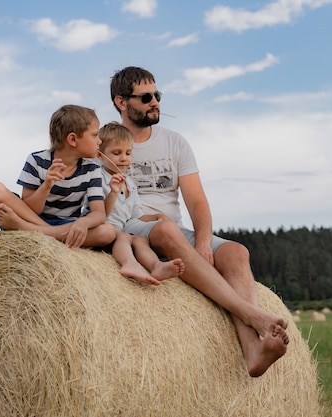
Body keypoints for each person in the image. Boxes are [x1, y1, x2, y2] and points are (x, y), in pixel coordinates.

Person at [110, 66, 289, 377]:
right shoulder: (108, 141)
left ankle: (253, 349)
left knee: (237, 252)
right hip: (132, 226)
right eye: (146, 97)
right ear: (121, 102)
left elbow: (196, 200)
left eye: (158, 95)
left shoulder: (175, 142)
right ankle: (253, 315)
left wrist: (204, 242)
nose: (156, 102)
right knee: (165, 228)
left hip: (175, 230)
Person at [0, 104, 115, 249]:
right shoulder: (36, 160)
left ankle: (23, 228)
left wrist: (83, 223)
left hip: (64, 225)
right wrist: (46, 185)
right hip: (33, 218)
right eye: (95, 135)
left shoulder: (92, 169)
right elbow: (30, 209)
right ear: (72, 139)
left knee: (108, 232)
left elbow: (99, 213)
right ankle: (45, 232)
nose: (99, 141)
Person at [97, 121, 185, 285]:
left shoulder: (129, 183)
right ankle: (129, 264)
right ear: (100, 156)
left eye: (128, 153)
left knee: (140, 240)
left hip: (121, 229)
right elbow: (99, 214)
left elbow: (136, 216)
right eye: (117, 153)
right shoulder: (98, 178)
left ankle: (157, 266)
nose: (124, 158)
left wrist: (154, 217)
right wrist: (113, 193)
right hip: (102, 230)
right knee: (124, 237)